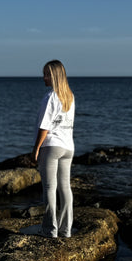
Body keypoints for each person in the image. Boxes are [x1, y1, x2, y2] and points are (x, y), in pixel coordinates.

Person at [32, 60, 76, 238]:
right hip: (68, 147)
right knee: (65, 187)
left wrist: (36, 149)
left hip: (51, 146)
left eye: (47, 74)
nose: (43, 77)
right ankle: (66, 229)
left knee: (50, 187)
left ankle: (50, 230)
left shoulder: (50, 96)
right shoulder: (69, 96)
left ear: (55, 76)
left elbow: (45, 127)